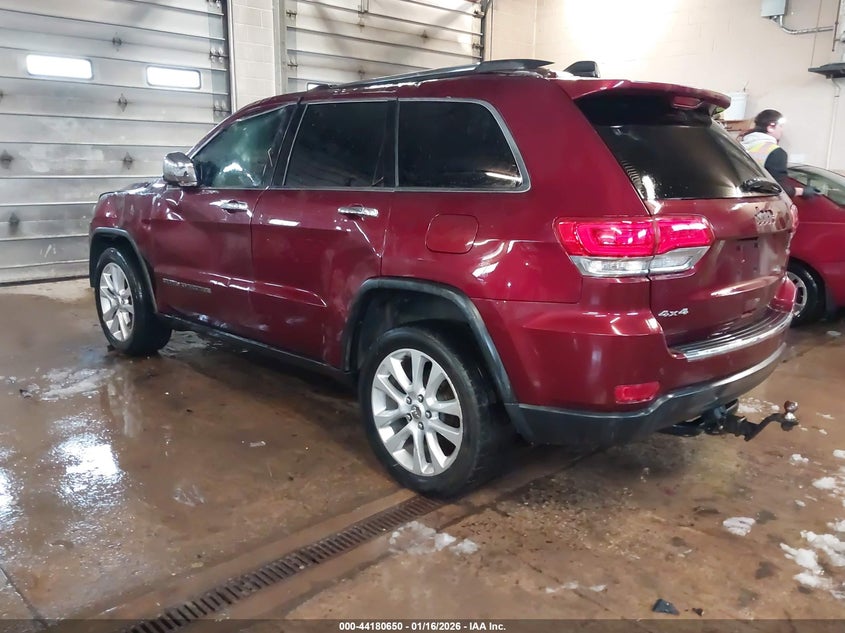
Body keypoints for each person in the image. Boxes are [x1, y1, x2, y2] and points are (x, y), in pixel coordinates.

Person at [740, 109, 818, 199]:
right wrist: (803, 191)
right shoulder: (775, 152)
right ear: (770, 127)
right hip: (759, 204)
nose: (782, 130)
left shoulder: (739, 146)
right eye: (780, 126)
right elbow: (779, 189)